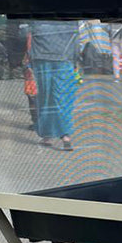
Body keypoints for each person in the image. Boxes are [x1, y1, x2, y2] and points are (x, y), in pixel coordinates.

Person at [29, 20, 80, 150]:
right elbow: (75, 39)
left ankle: (48, 135)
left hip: (42, 58)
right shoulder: (70, 17)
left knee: (46, 98)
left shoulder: (38, 17)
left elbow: (29, 33)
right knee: (63, 98)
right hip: (64, 59)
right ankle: (65, 136)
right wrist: (75, 61)